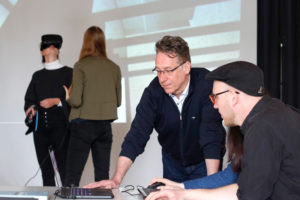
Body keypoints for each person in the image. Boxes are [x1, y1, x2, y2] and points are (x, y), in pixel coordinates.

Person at [85, 35, 225, 189]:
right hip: (173, 163)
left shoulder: (206, 84)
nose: (162, 79)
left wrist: (212, 182)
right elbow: (136, 135)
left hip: (204, 163)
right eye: (158, 71)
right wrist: (116, 180)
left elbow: (211, 134)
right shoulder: (153, 92)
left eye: (167, 71)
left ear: (186, 67)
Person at [146, 61, 300, 200]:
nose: (214, 105)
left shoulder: (262, 127)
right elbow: (237, 182)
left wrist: (182, 194)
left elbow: (248, 196)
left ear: (233, 97)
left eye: (215, 98)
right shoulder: (275, 114)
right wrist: (181, 190)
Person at [64, 26, 121, 186]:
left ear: (86, 42)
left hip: (82, 125)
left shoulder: (81, 65)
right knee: (102, 178)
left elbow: (75, 101)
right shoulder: (114, 67)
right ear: (103, 42)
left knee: (72, 176)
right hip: (104, 127)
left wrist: (68, 97)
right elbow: (118, 102)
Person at [24, 34, 72, 186]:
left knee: (65, 170)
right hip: (40, 131)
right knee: (46, 172)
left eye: (55, 45)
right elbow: (29, 100)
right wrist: (30, 109)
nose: (51, 47)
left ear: (58, 50)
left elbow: (76, 100)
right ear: (42, 52)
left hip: (62, 130)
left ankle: (67, 197)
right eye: (47, 45)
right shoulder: (37, 76)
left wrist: (57, 101)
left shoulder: (69, 73)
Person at [149, 126, 242, 190]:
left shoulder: (253, 139)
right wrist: (179, 186)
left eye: (216, 97)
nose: (215, 106)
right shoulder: (246, 134)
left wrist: (181, 188)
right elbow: (228, 178)